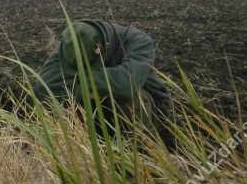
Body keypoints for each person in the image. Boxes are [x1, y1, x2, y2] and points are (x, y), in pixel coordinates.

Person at [35, 20, 171, 133]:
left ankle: (140, 152)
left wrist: (76, 82)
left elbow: (125, 83)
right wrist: (89, 93)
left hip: (150, 114)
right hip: (99, 114)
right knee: (62, 99)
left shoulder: (139, 41)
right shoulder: (71, 46)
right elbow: (43, 83)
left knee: (127, 96)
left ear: (105, 46)